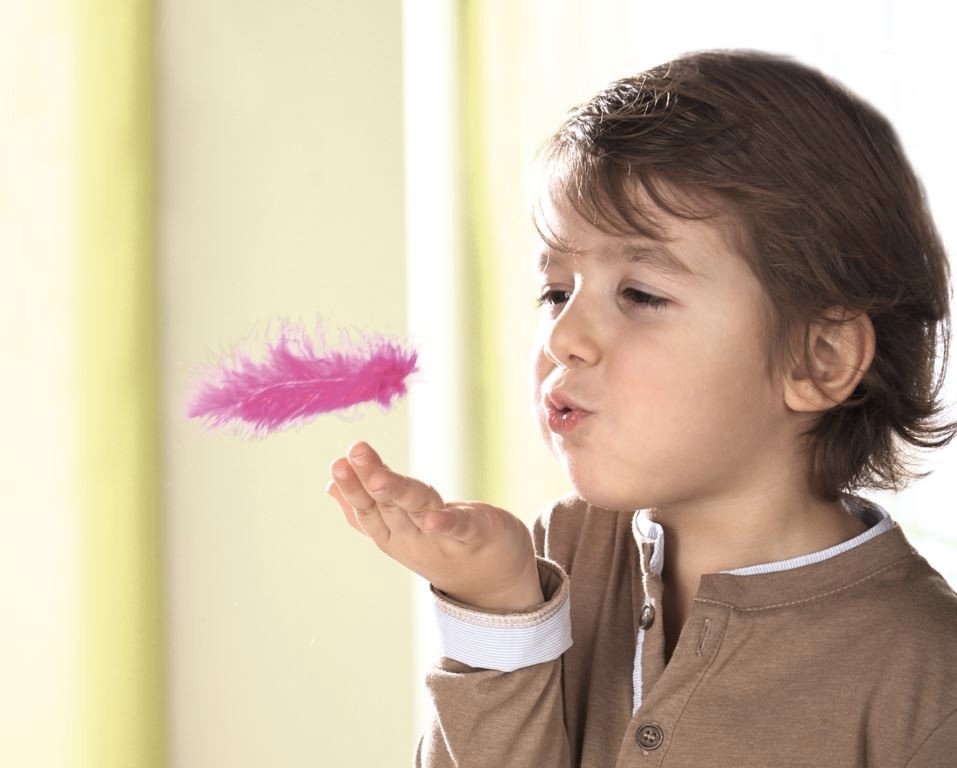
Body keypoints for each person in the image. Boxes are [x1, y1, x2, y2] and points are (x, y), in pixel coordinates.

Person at [326, 50, 957, 767]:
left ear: (820, 360)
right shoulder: (557, 553)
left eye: (641, 295)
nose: (564, 338)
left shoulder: (926, 683)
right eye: (557, 291)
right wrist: (498, 613)